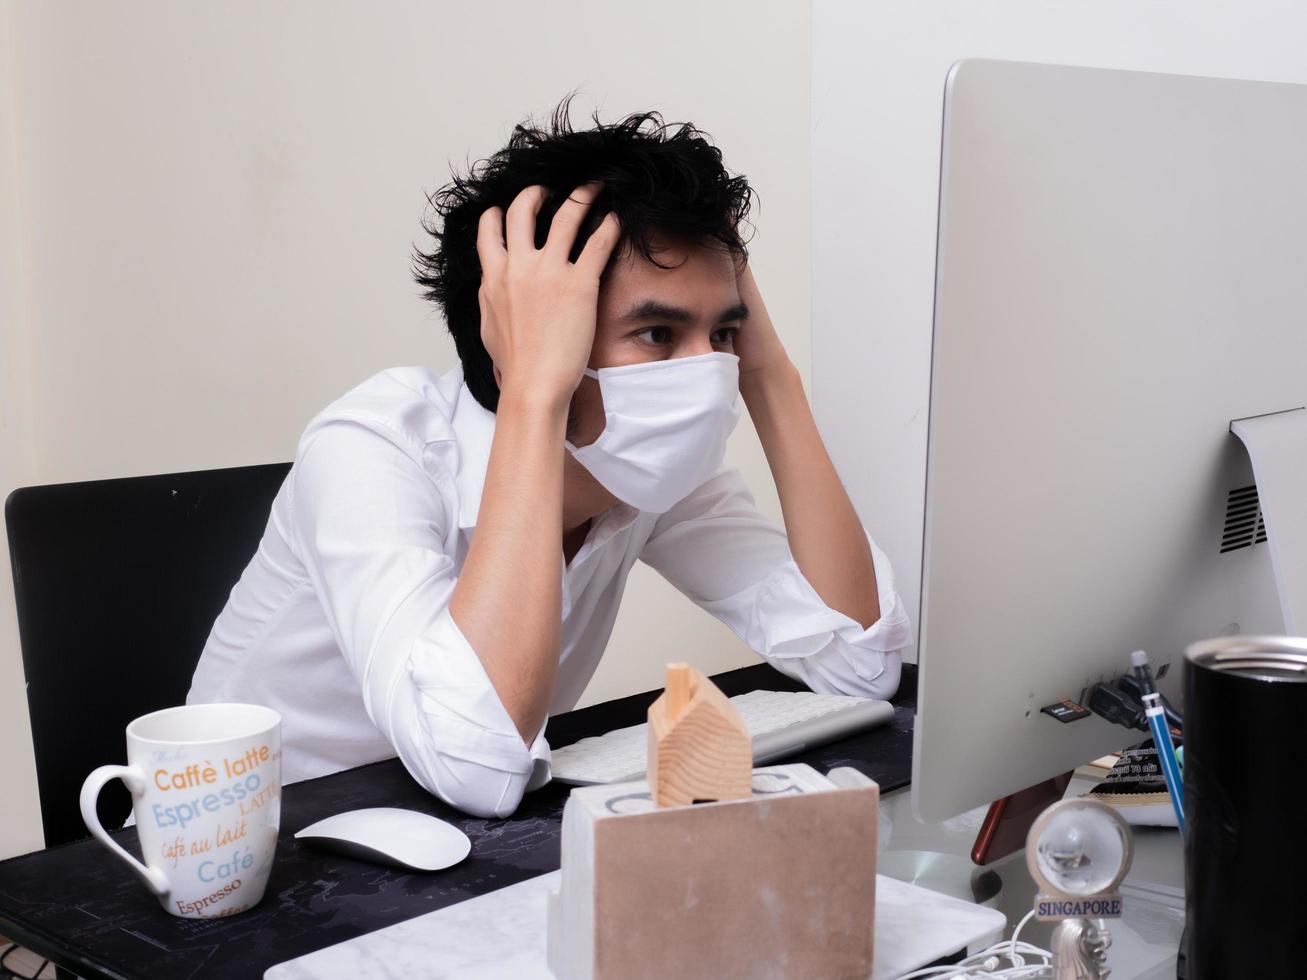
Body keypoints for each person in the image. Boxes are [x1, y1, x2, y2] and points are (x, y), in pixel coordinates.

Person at [186, 98, 913, 818]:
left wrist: (767, 372)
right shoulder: (370, 451)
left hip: (451, 843)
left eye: (722, 334)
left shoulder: (648, 475)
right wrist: (532, 394)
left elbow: (859, 663)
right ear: (526, 336)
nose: (706, 373)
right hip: (246, 855)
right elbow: (477, 764)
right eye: (658, 333)